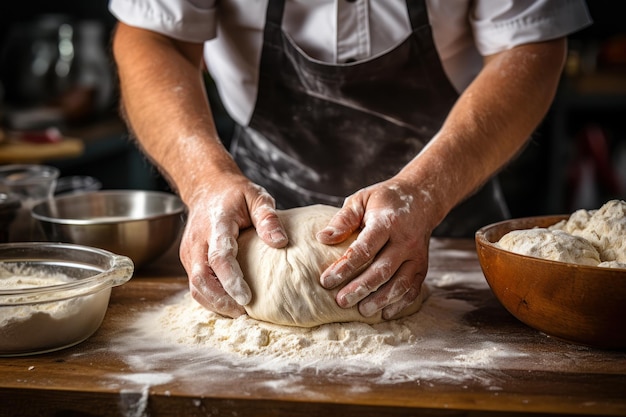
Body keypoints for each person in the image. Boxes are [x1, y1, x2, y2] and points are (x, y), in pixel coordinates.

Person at [109, 0, 591, 319]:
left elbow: (528, 44)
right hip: (254, 218)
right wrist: (204, 180)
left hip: (450, 207)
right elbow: (156, 36)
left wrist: (428, 189)